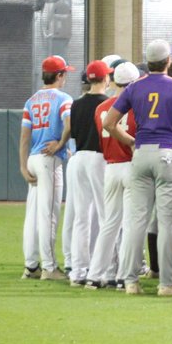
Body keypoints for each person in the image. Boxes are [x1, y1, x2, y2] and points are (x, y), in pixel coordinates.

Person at [102, 41, 172, 296]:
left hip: (141, 154)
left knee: (136, 221)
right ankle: (167, 283)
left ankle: (129, 281)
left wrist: (130, 141)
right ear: (168, 61)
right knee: (168, 224)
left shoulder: (134, 87)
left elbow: (109, 122)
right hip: (168, 154)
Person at [19, 55, 76, 281]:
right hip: (49, 159)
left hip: (33, 158)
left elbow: (24, 137)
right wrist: (62, 144)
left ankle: (31, 266)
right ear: (59, 75)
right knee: (49, 215)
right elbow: (69, 124)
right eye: (65, 74)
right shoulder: (63, 98)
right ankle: (50, 268)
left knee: (32, 215)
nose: (66, 78)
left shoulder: (31, 101)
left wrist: (23, 166)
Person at [86, 62, 139, 290]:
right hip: (130, 165)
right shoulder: (138, 106)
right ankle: (122, 276)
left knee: (109, 224)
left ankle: (95, 275)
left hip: (110, 167)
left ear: (115, 81)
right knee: (128, 224)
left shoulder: (100, 108)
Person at [65, 60, 113, 285]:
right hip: (98, 158)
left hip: (79, 158)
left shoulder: (76, 104)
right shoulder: (109, 104)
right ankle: (103, 271)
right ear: (105, 79)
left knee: (80, 218)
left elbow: (73, 134)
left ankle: (78, 272)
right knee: (106, 217)